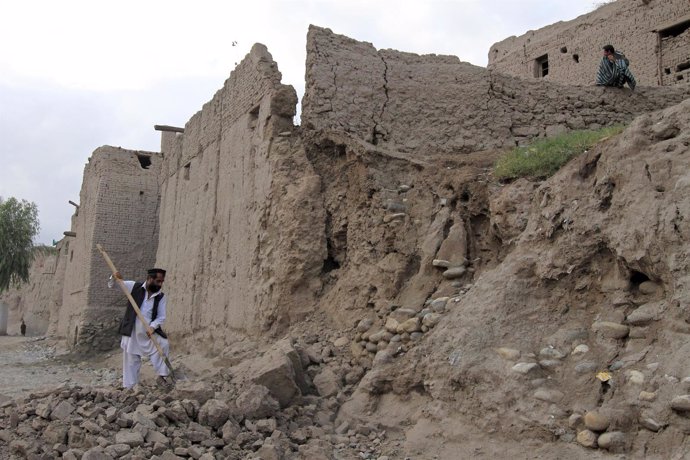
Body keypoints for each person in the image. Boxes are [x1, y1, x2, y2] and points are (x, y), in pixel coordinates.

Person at [109, 268, 172, 389]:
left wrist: (153, 327)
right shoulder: (134, 287)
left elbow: (161, 317)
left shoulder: (161, 297)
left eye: (162, 282)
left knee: (163, 344)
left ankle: (163, 376)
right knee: (131, 359)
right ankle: (130, 387)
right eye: (158, 281)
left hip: (148, 332)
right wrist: (115, 277)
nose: (160, 284)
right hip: (132, 331)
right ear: (149, 279)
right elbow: (114, 286)